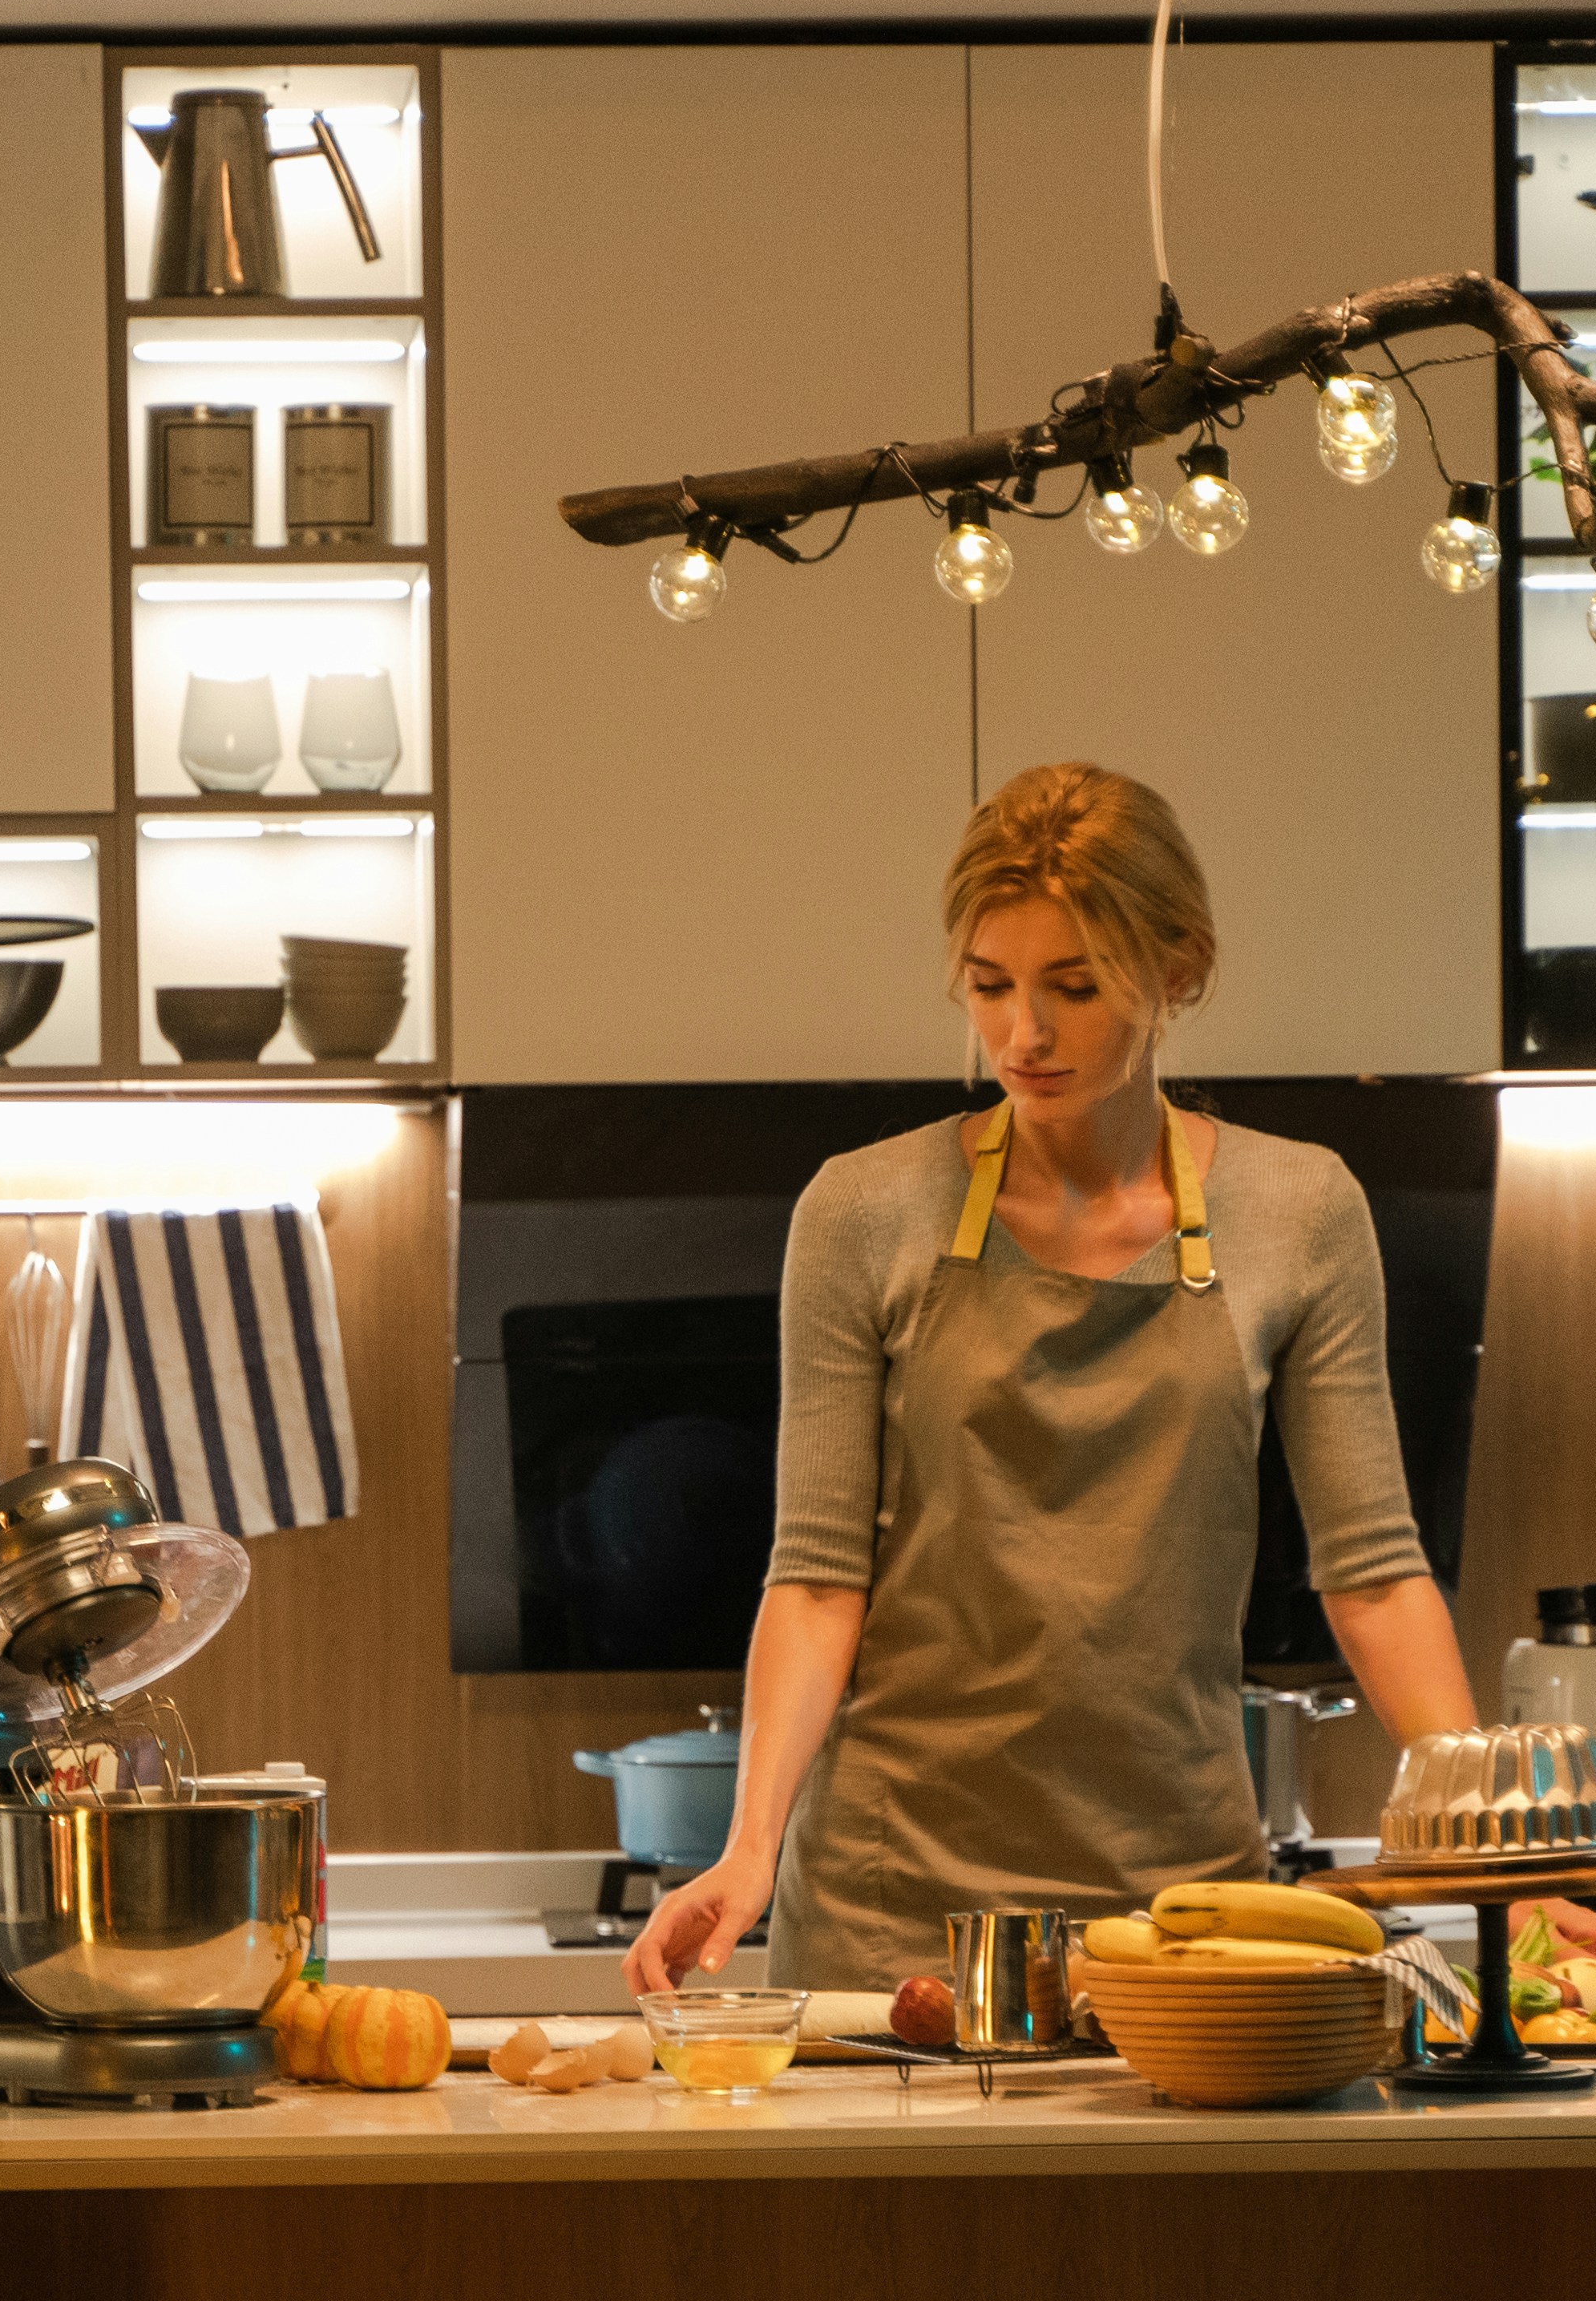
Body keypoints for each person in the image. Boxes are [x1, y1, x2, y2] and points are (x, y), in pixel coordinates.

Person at [627, 762, 1479, 1998]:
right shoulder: (861, 1213)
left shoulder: (1301, 1210)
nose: (1023, 1035)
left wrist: (1517, 1871)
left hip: (1183, 1907)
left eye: (1074, 988)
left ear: (1177, 969)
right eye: (991, 986)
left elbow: (1376, 1577)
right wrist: (747, 1847)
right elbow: (816, 1578)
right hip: (890, 1910)